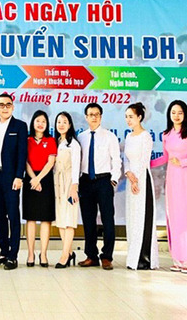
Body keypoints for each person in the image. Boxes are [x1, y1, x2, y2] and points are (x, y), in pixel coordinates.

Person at [150, 100, 187, 273]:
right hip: (172, 178)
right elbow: (165, 157)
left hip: (186, 177)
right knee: (174, 216)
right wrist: (147, 164)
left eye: (180, 112)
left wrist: (182, 162)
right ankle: (178, 259)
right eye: (173, 112)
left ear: (185, 114)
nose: (176, 116)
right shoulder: (166, 134)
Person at [78, 103, 122, 270]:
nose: (94, 117)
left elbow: (117, 160)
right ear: (86, 117)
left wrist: (113, 180)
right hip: (85, 181)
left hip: (104, 181)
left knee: (107, 219)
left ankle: (107, 256)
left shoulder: (110, 136)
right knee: (88, 220)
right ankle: (91, 255)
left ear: (101, 117)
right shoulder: (81, 137)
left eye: (97, 114)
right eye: (91, 114)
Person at [0, 93, 28, 270]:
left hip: (11, 177)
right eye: (1, 105)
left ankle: (13, 255)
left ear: (13, 107)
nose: (5, 108)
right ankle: (3, 251)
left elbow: (22, 153)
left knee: (13, 215)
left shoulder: (20, 126)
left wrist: (19, 176)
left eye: (8, 104)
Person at [123, 102, 158, 271]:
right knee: (132, 218)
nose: (128, 120)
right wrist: (128, 173)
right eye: (126, 117)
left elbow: (144, 160)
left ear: (139, 117)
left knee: (143, 217)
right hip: (131, 180)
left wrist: (136, 179)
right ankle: (133, 257)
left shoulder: (146, 136)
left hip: (142, 180)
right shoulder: (129, 137)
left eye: (131, 116)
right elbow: (126, 158)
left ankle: (144, 258)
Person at [23, 110, 57, 267]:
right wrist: (33, 179)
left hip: (46, 180)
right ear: (33, 123)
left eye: (43, 121)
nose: (40, 124)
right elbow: (25, 161)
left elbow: (51, 162)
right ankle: (30, 254)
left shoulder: (51, 140)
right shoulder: (27, 140)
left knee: (45, 219)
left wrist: (39, 179)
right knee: (30, 218)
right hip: (30, 179)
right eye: (38, 121)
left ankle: (43, 254)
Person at [53, 111, 81, 268]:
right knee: (61, 220)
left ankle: (64, 256)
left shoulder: (74, 144)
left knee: (69, 220)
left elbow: (76, 167)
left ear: (70, 125)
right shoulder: (56, 142)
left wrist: (74, 187)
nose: (61, 125)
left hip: (70, 184)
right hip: (58, 184)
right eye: (59, 122)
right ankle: (69, 252)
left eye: (64, 122)